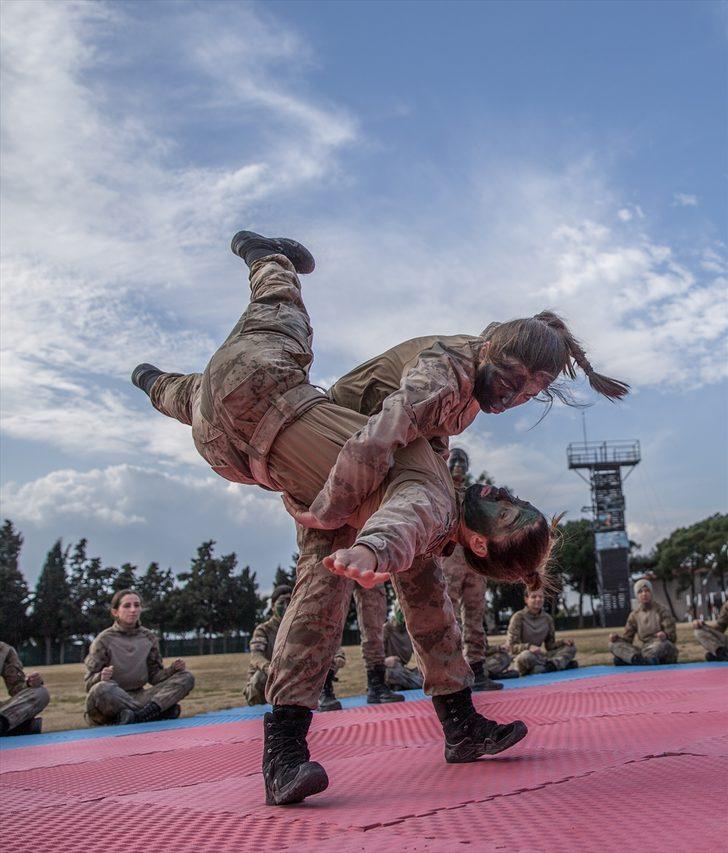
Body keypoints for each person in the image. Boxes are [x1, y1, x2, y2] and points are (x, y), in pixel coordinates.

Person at [131, 230, 562, 806]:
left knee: (412, 594)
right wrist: (334, 516)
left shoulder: (451, 441)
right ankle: (264, 260)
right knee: (272, 320)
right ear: (492, 348)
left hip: (255, 430)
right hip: (284, 419)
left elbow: (413, 470)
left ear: (482, 544)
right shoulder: (446, 378)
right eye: (515, 380)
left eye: (506, 509)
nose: (500, 491)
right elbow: (383, 437)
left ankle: (456, 724)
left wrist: (339, 516)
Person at [441, 449, 506, 691]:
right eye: (455, 460)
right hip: (449, 559)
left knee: (476, 615)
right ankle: (452, 673)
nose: (459, 465)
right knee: (449, 616)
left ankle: (477, 670)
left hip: (474, 560)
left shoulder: (474, 496)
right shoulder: (440, 490)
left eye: (463, 461)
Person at [84, 589, 195, 726]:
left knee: (186, 677)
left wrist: (172, 670)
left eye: (137, 605)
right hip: (112, 698)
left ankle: (138, 716)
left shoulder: (149, 638)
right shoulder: (103, 640)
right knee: (101, 689)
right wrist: (100, 677)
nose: (133, 610)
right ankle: (156, 712)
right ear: (115, 612)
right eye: (127, 606)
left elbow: (154, 677)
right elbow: (89, 686)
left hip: (140, 696)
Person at [245, 584, 346, 711]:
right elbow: (256, 656)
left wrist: (338, 656)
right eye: (281, 603)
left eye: (290, 602)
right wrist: (270, 668)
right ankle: (259, 708)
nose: (286, 606)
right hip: (268, 680)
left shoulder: (302, 628)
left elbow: (326, 641)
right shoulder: (263, 630)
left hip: (291, 678)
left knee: (323, 660)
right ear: (272, 606)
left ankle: (322, 696)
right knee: (260, 676)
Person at [507, 589, 578, 675]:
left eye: (541, 597)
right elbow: (511, 647)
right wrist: (528, 647)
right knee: (526, 656)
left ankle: (548, 667)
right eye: (534, 597)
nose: (538, 599)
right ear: (526, 599)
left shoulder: (547, 618)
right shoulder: (518, 617)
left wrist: (563, 642)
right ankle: (558, 665)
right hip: (523, 657)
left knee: (571, 648)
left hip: (540, 657)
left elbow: (550, 646)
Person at [609, 579, 678, 665]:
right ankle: (641, 660)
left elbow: (672, 638)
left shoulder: (662, 610)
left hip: (661, 646)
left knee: (664, 645)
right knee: (613, 645)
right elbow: (627, 640)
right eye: (640, 592)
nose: (644, 594)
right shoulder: (634, 615)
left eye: (647, 591)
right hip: (645, 650)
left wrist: (665, 636)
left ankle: (632, 660)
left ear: (651, 593)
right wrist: (616, 639)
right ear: (636, 595)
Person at [0, 641, 50, 736]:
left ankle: (5, 724)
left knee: (41, 693)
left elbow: (15, 687)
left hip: (2, 713)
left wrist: (29, 684)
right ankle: (19, 727)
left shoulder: (4, 650)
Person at [382, 601, 423, 690]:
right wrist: (385, 661)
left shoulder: (411, 630)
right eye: (401, 611)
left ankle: (401, 685)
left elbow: (421, 654)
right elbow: (374, 657)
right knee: (394, 673)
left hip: (403, 670)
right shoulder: (387, 629)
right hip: (389, 669)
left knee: (424, 674)